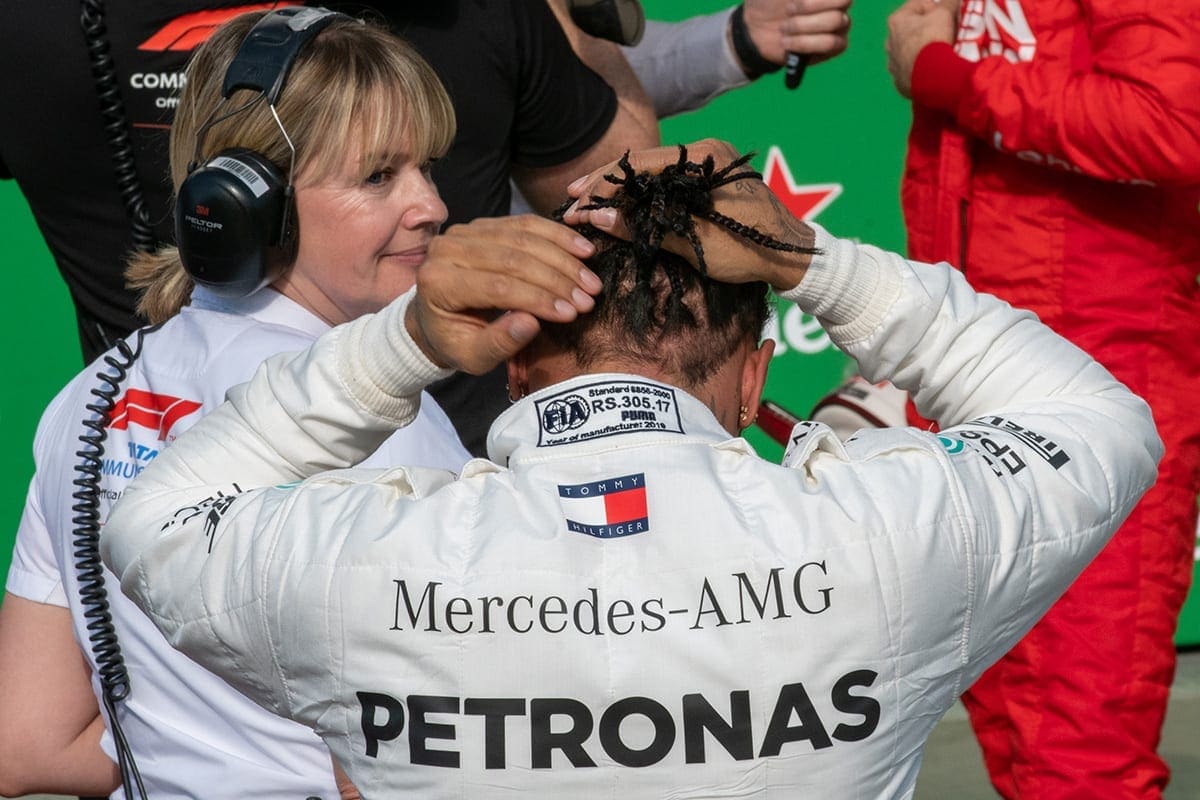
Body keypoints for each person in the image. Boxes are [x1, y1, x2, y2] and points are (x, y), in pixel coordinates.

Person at [100, 140, 1159, 796]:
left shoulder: (367, 563)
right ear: (755, 378)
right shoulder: (885, 536)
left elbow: (153, 518)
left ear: (515, 363)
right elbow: (1097, 419)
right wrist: (813, 263)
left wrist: (405, 341)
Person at [0, 9, 469, 798]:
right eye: (379, 176)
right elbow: (414, 764)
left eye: (427, 168)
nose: (430, 205)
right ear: (249, 202)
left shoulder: (83, 402)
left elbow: (26, 744)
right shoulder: (378, 422)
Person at [885, 0, 1200, 796]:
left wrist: (947, 76)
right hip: (977, 363)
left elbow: (1172, 123)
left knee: (1079, 741)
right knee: (1014, 722)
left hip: (1098, 372)